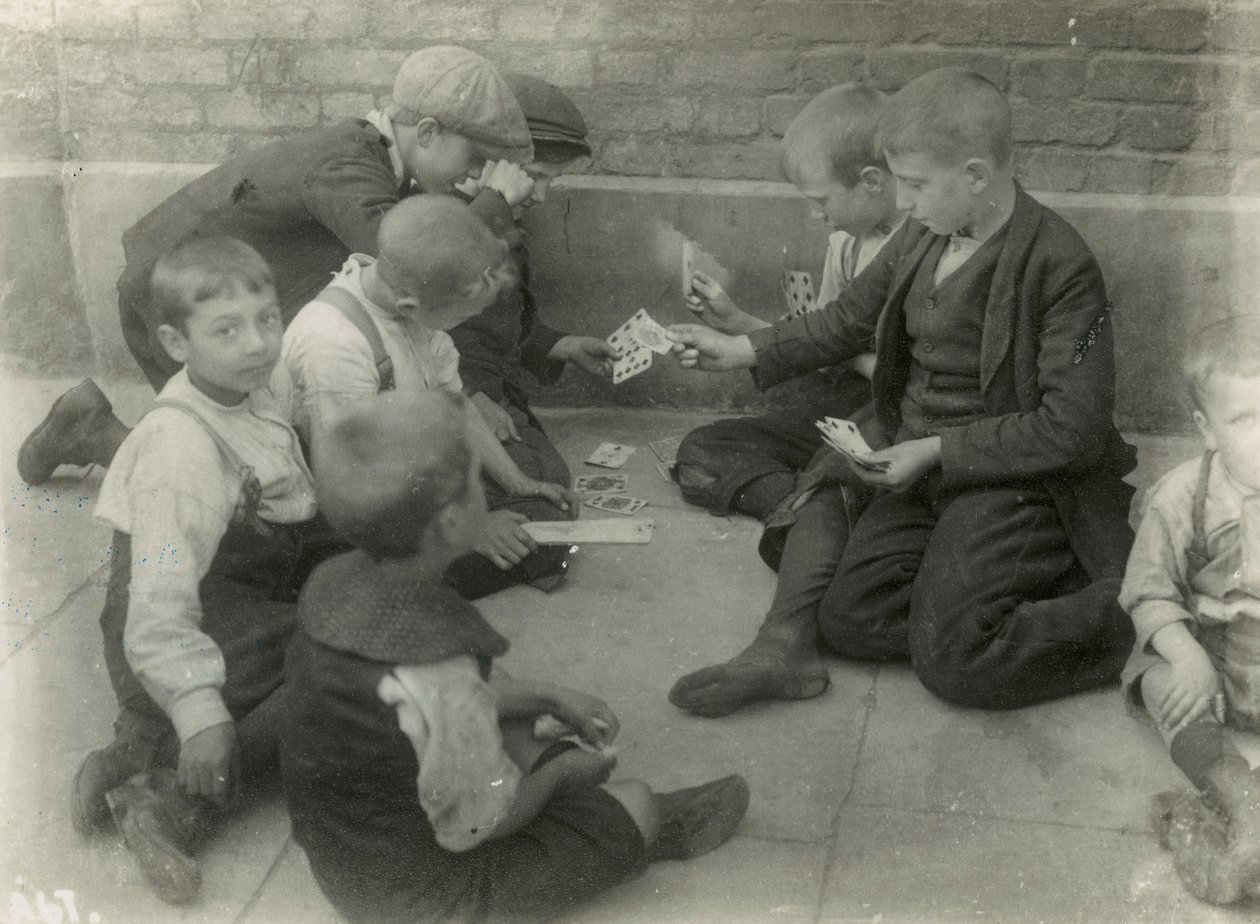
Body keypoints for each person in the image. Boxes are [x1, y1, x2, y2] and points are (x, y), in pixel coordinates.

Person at [666, 68, 1137, 718]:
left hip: (1011, 479)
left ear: (975, 175)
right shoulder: (927, 231)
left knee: (957, 663)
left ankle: (1137, 613)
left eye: (915, 185)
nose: (905, 203)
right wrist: (743, 349)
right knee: (850, 621)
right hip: (918, 463)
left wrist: (938, 449)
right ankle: (977, 589)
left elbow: (1071, 428)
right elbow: (851, 317)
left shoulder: (1059, 264)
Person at [280, 389, 750, 923]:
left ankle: (561, 787)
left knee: (500, 691)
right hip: (421, 898)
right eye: (479, 484)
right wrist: (557, 778)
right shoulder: (441, 673)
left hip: (346, 857)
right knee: (636, 801)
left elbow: (424, 702)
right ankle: (633, 823)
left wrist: (549, 694)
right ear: (453, 524)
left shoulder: (333, 583)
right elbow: (476, 827)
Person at [17, 44, 534, 486]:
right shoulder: (350, 164)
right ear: (426, 132)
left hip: (206, 296)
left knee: (257, 454)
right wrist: (492, 205)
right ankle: (92, 432)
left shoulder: (367, 155)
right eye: (471, 161)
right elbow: (406, 260)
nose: (471, 178)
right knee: (230, 480)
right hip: (173, 304)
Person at [70, 236, 326, 904]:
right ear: (176, 344)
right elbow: (157, 604)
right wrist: (198, 712)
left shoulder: (245, 389)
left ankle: (135, 747)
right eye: (227, 330)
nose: (256, 344)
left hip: (232, 597)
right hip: (174, 627)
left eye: (267, 319)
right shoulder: (180, 452)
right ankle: (172, 797)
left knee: (351, 610)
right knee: (340, 672)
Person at [282, 194, 576, 599]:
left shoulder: (407, 304)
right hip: (345, 502)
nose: (470, 322)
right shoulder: (334, 343)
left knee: (544, 494)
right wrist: (471, 530)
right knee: (533, 542)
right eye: (464, 316)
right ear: (410, 306)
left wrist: (518, 481)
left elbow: (457, 406)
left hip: (404, 468)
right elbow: (353, 478)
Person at [673, 83, 903, 522]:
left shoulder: (924, 249)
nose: (816, 215)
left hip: (894, 416)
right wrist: (736, 319)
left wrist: (843, 353)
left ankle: (819, 503)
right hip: (846, 406)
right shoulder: (845, 245)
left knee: (852, 467)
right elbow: (815, 341)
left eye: (821, 200)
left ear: (872, 182)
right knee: (702, 449)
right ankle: (805, 508)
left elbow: (903, 376)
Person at [450, 73, 619, 591]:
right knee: (536, 508)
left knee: (548, 483)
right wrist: (472, 396)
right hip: (438, 406)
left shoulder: (504, 224)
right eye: (538, 175)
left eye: (552, 182)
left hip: (479, 399)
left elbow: (508, 321)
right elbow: (435, 341)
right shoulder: (441, 232)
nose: (541, 195)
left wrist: (558, 345)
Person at [1118, 315, 1260, 905]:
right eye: (1247, 419)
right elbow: (1149, 590)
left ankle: (1206, 826)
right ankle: (1239, 800)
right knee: (1158, 681)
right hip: (1217, 662)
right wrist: (1186, 654)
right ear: (1206, 429)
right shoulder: (1182, 495)